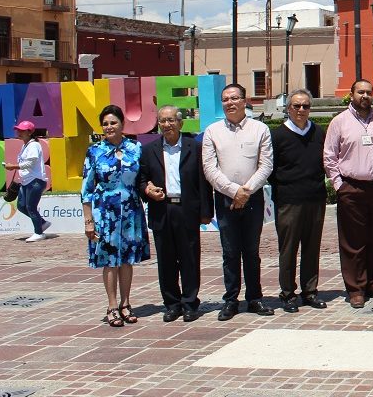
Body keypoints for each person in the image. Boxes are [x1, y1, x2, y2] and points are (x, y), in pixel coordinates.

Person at [202, 83, 275, 320]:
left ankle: (255, 298)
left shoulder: (260, 129)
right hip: (225, 200)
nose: (230, 103)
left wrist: (247, 190)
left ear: (245, 101)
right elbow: (209, 169)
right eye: (225, 99)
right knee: (230, 252)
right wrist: (234, 192)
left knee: (252, 252)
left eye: (234, 98)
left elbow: (266, 165)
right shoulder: (212, 131)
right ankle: (231, 300)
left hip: (252, 199)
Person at [324, 79, 373, 308]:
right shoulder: (339, 122)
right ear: (352, 94)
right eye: (360, 92)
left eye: (368, 92)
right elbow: (329, 156)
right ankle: (356, 288)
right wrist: (339, 186)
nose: (365, 96)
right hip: (351, 188)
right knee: (353, 242)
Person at [137, 106, 212, 322]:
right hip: (162, 209)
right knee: (166, 260)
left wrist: (206, 212)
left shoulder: (194, 147)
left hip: (187, 209)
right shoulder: (149, 150)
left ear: (180, 123)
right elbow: (142, 179)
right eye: (162, 121)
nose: (167, 125)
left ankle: (190, 303)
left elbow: (203, 182)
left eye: (171, 120)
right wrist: (147, 190)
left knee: (189, 258)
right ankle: (171, 304)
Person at [81, 105, 151, 327]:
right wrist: (89, 220)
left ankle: (126, 303)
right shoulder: (94, 152)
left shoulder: (135, 148)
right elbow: (86, 189)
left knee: (127, 259)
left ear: (122, 124)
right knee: (110, 260)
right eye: (105, 123)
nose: (109, 127)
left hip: (131, 210)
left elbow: (142, 178)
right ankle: (112, 306)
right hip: (105, 212)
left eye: (113, 122)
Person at [268, 89, 328, 313]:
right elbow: (270, 170)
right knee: (289, 249)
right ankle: (287, 293)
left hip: (315, 198)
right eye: (296, 106)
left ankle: (310, 291)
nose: (301, 110)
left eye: (305, 106)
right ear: (288, 108)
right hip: (289, 201)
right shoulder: (278, 136)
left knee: (312, 249)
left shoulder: (318, 132)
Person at [7, 120, 49, 242]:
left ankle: (39, 233)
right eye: (18, 130)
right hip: (26, 181)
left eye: (22, 130)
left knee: (31, 207)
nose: (19, 132)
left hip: (35, 181)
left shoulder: (34, 145)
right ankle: (42, 223)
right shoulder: (25, 145)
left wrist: (13, 166)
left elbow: (30, 163)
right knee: (21, 206)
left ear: (30, 132)